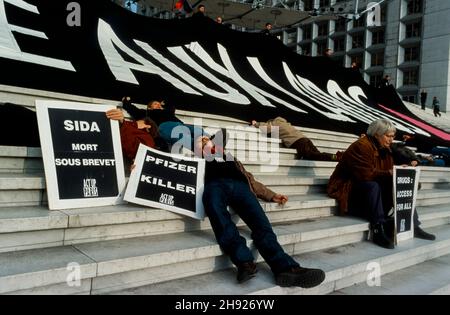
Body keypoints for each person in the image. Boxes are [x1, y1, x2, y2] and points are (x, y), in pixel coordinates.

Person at [194, 136, 326, 287]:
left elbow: (251, 180)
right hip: (214, 186)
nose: (204, 141)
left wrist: (271, 195)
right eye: (200, 141)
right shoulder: (196, 160)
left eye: (206, 139)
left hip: (241, 188)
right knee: (221, 222)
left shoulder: (230, 158)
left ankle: (287, 268)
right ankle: (244, 263)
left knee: (262, 225)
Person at [327, 119, 434, 250]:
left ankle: (414, 225)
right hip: (348, 188)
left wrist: (405, 178)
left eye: (393, 136)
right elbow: (365, 175)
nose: (391, 140)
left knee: (397, 184)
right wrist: (390, 172)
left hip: (368, 188)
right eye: (388, 136)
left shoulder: (384, 148)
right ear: (377, 134)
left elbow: (386, 172)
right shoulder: (361, 146)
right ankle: (378, 227)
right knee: (372, 185)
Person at [121, 96, 207, 151]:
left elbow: (172, 107)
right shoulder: (147, 112)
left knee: (198, 130)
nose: (158, 105)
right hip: (164, 127)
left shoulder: (167, 112)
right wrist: (126, 101)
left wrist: (164, 104)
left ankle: (211, 143)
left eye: (159, 104)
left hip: (180, 125)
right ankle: (199, 147)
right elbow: (133, 109)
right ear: (149, 107)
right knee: (181, 135)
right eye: (155, 104)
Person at [251, 117, 342, 161]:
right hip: (305, 139)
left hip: (298, 142)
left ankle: (334, 156)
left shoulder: (275, 124)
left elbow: (266, 128)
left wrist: (256, 124)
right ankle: (335, 156)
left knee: (311, 156)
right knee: (317, 155)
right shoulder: (286, 124)